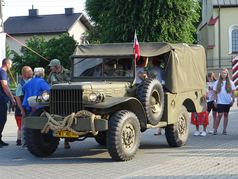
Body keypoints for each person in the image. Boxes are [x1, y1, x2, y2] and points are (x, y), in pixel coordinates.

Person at [48, 59, 71, 149]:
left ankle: (66, 141)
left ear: (57, 66)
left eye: (52, 66)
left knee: (67, 118)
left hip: (67, 98)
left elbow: (71, 83)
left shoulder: (67, 73)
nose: (50, 68)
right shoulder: (52, 74)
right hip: (55, 98)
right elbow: (48, 82)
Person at [213, 68, 236, 135]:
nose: (224, 74)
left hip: (227, 102)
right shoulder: (217, 82)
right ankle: (215, 129)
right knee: (219, 115)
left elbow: (233, 92)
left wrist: (233, 100)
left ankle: (224, 130)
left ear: (227, 74)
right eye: (222, 73)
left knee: (226, 115)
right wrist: (214, 101)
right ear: (220, 74)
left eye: (225, 73)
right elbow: (215, 93)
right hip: (220, 102)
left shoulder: (231, 82)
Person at [15, 66, 33, 146]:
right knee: (23, 125)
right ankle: (22, 141)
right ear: (26, 73)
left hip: (30, 107)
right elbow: (18, 98)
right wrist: (21, 110)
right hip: (23, 108)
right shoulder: (20, 84)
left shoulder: (31, 81)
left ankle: (23, 140)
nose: (32, 73)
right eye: (30, 71)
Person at [0, 58, 16, 147]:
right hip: (1, 99)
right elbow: (5, 86)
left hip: (2, 98)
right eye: (11, 64)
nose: (11, 66)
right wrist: (12, 98)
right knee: (2, 119)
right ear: (7, 64)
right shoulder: (2, 72)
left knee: (2, 119)